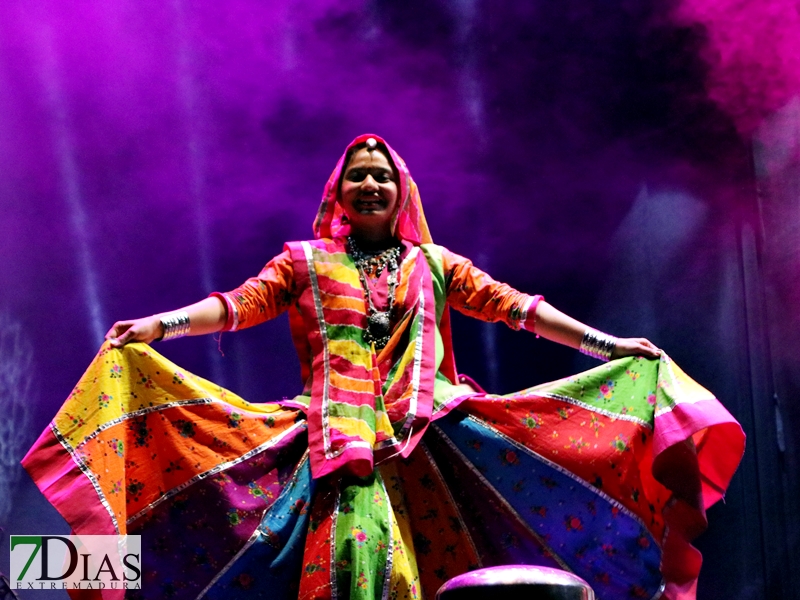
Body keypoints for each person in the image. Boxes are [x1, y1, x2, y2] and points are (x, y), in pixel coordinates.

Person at [23, 134, 744, 600]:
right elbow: (236, 308)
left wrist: (609, 347)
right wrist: (159, 325)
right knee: (309, 562)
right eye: (357, 177)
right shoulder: (304, 263)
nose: (370, 186)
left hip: (436, 443)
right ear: (337, 195)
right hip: (340, 451)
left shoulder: (434, 264)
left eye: (382, 177)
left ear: (400, 195)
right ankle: (81, 573)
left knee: (476, 560)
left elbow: (519, 309)